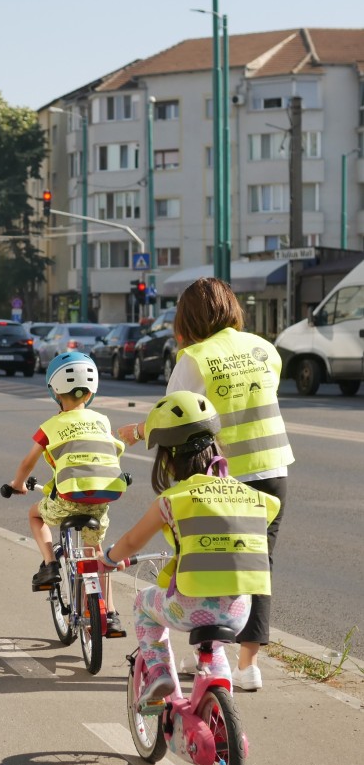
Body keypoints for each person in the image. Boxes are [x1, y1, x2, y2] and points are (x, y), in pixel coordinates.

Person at [117, 278, 293, 690]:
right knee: (256, 565)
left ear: (189, 317)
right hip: (273, 468)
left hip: (220, 473)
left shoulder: (193, 358)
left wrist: (139, 431)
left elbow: (177, 415)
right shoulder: (264, 348)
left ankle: (212, 659)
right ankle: (248, 667)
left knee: (204, 558)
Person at [102, 391, 280, 705]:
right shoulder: (255, 498)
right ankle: (220, 700)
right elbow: (268, 511)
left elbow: (131, 542)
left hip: (188, 608)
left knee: (144, 603)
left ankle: (158, 673)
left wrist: (109, 559)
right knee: (215, 648)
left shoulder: (173, 500)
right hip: (239, 611)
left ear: (169, 459)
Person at [6, 351, 129, 637]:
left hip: (67, 498)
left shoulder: (50, 426)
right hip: (101, 501)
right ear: (92, 391)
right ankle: (110, 616)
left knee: (35, 514)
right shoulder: (102, 420)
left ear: (54, 391)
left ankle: (50, 565)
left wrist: (17, 484)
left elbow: (28, 462)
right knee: (98, 555)